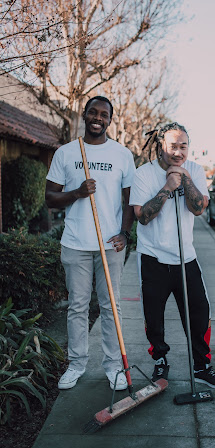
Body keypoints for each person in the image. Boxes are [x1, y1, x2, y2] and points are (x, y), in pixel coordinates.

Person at [45, 96, 135, 391]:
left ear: (110, 120)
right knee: (77, 306)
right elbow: (50, 198)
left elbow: (128, 201)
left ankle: (113, 367)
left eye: (104, 114)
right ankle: (76, 364)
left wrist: (124, 234)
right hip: (75, 243)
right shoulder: (67, 152)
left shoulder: (122, 155)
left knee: (111, 307)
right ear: (84, 115)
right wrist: (77, 193)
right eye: (93, 112)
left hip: (109, 245)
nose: (98, 118)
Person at [129, 122, 215, 390]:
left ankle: (202, 366)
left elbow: (199, 208)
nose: (178, 152)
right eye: (173, 146)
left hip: (187, 258)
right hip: (153, 258)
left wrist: (185, 178)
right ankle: (160, 361)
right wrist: (168, 188)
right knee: (154, 317)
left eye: (183, 146)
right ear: (161, 146)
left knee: (199, 313)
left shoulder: (194, 170)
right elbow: (142, 217)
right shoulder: (143, 174)